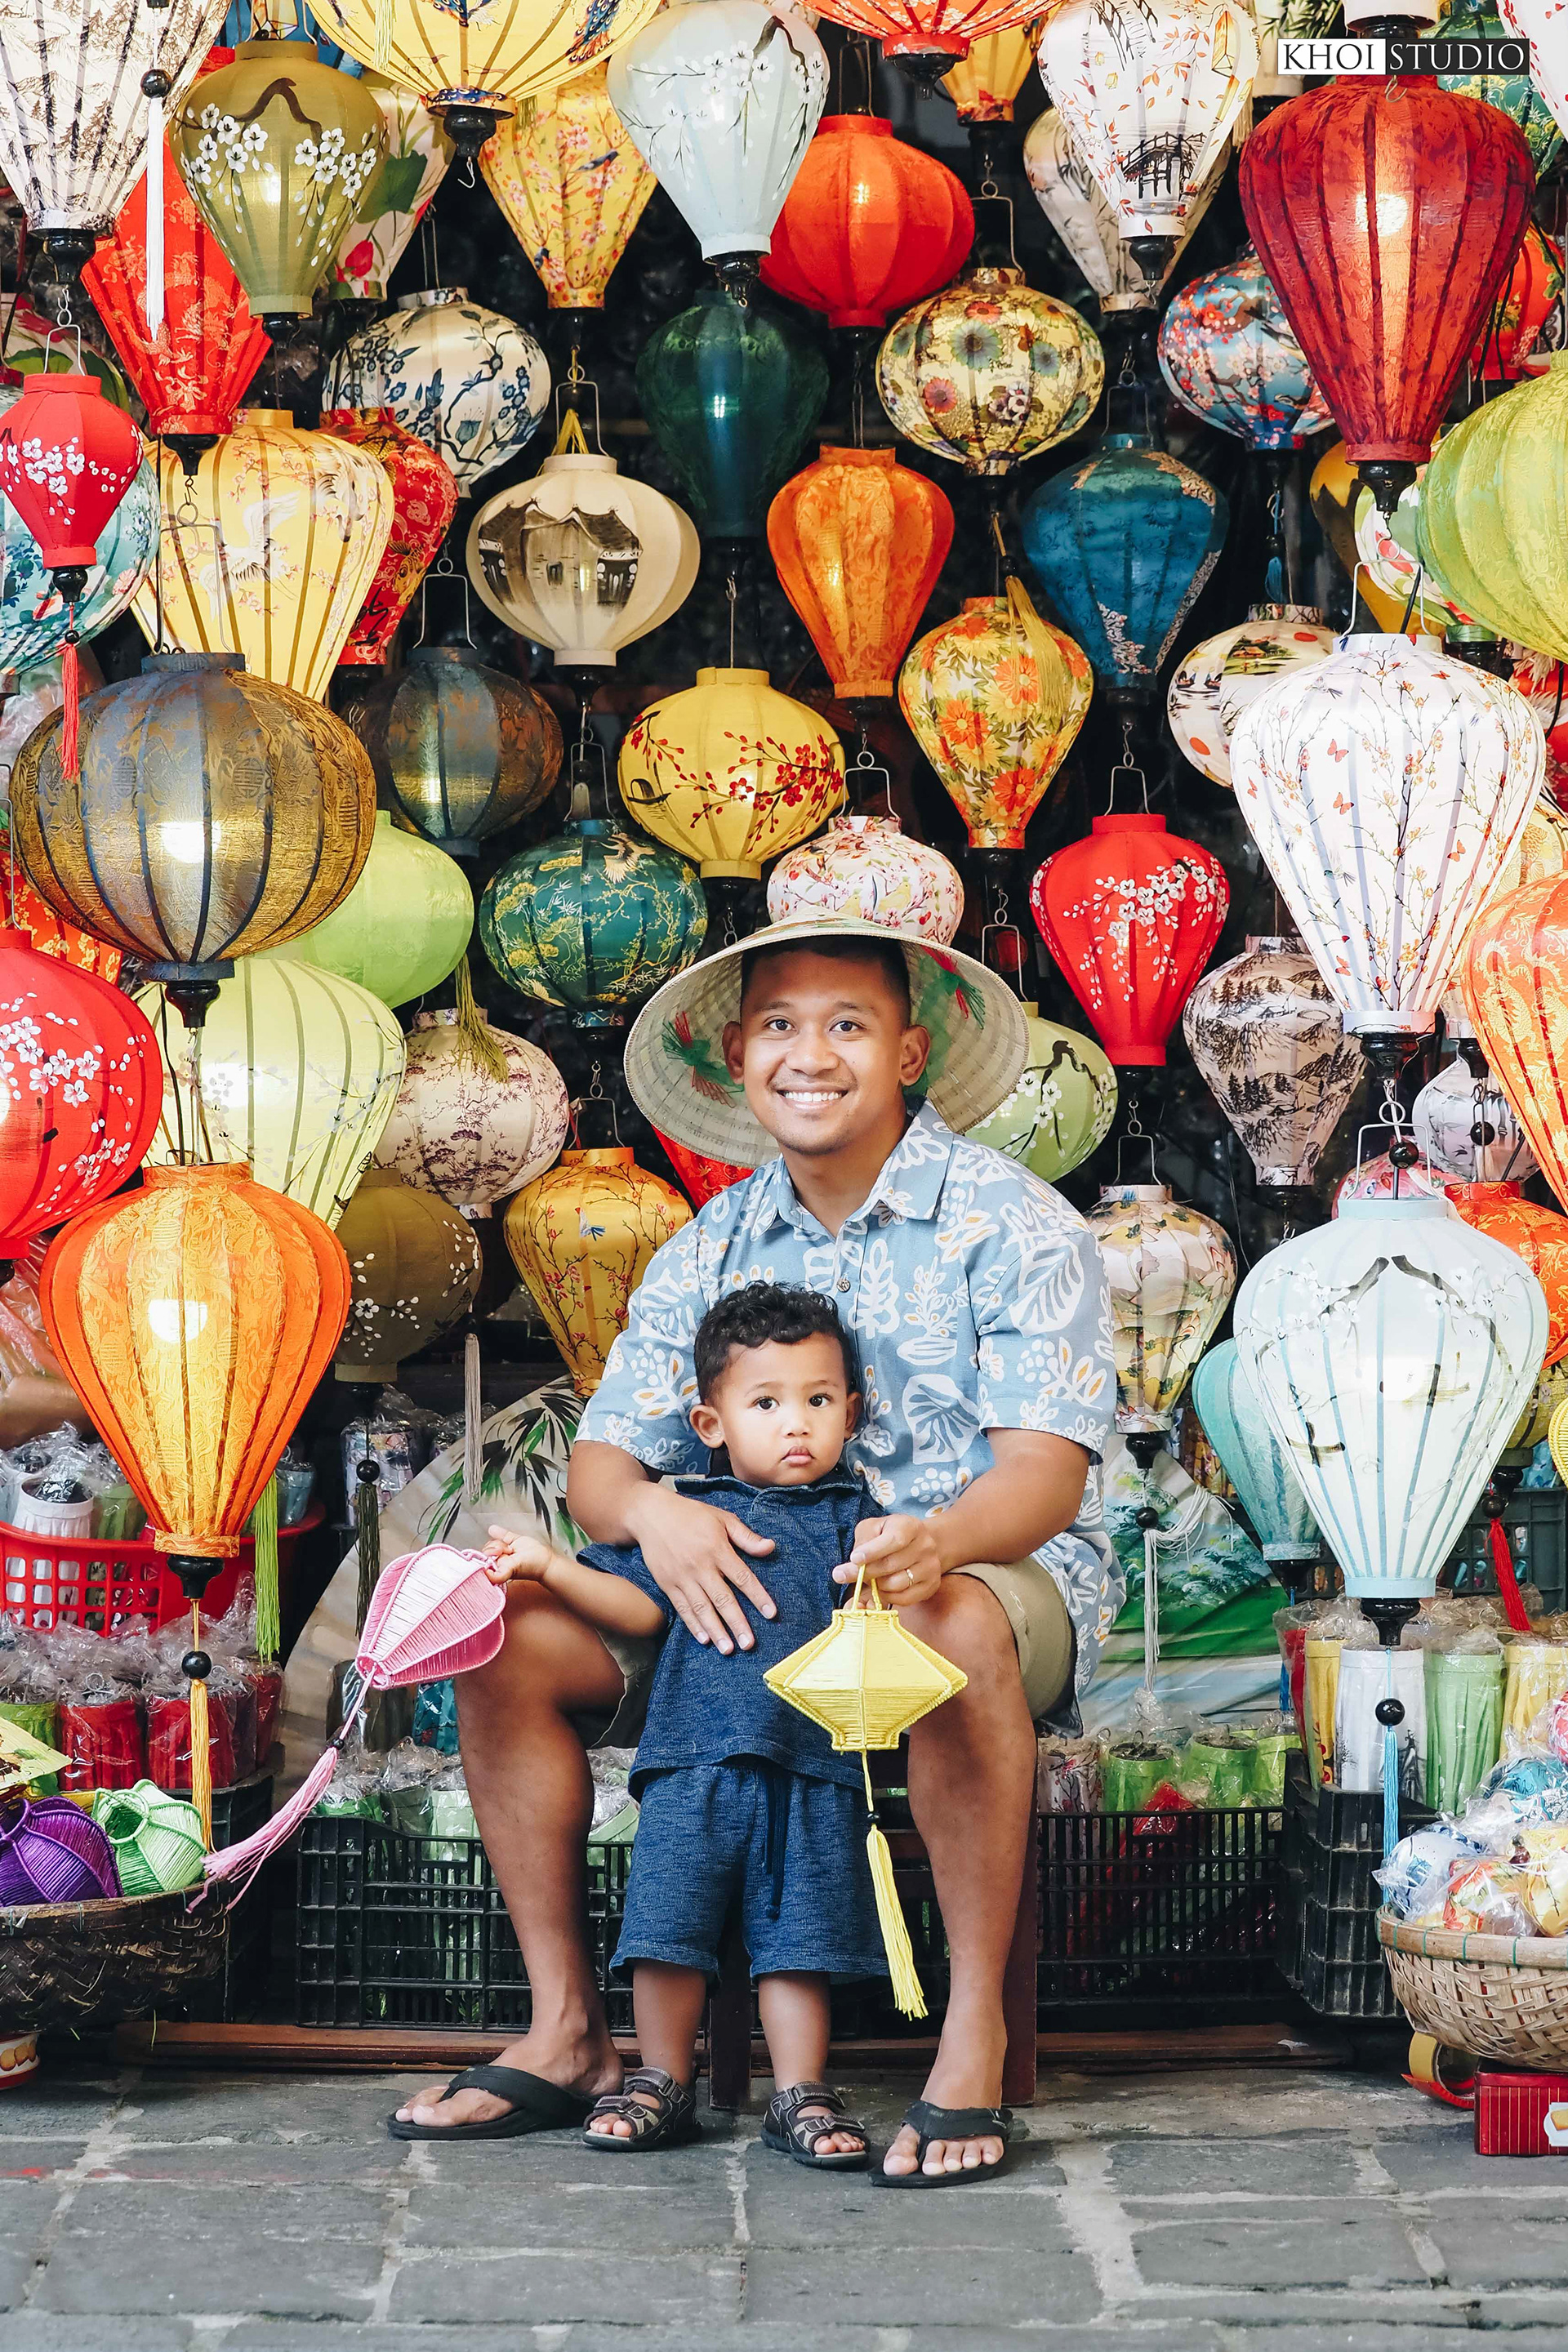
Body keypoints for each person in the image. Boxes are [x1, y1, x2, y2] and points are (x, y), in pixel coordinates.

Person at [392, 915, 1116, 2185]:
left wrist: (932, 1542)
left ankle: (972, 2035)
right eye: (780, 1024)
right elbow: (607, 1466)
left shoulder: (1014, 1222)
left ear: (909, 1052)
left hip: (983, 1570)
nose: (810, 1054)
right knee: (502, 1643)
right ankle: (570, 2031)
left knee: (944, 1622)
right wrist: (658, 1517)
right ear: (738, 1056)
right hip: (740, 1612)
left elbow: (1045, 1476)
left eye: (847, 1024)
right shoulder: (711, 1243)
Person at [481, 1284, 887, 2167]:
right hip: (690, 1764)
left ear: (851, 1413)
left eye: (819, 1402)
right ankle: (661, 2078)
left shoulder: (859, 1520)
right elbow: (634, 1610)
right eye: (767, 1403)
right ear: (711, 1423)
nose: (796, 1425)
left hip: (811, 1770)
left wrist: (897, 1570)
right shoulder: (694, 1518)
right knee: (668, 1931)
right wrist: (548, 1566)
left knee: (797, 1945)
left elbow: (893, 1603)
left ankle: (801, 2093)